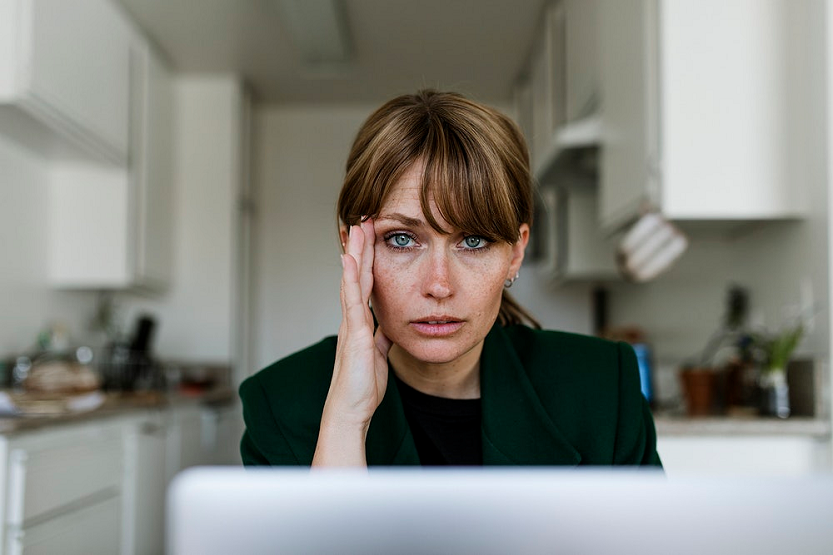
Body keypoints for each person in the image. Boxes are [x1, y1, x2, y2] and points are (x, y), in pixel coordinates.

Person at [239, 90, 662, 467]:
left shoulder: (605, 387)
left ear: (515, 252)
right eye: (402, 239)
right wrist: (347, 422)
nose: (439, 285)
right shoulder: (279, 403)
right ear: (352, 246)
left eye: (473, 240)